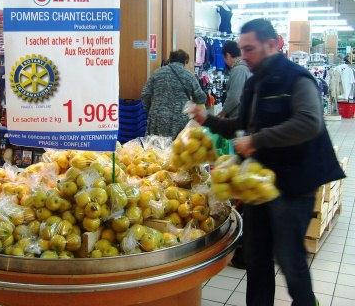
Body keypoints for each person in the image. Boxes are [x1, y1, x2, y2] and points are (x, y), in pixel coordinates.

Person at [189, 19, 345, 306]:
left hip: (293, 184)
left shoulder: (297, 78)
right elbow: (243, 125)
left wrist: (257, 140)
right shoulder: (254, 82)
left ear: (271, 44)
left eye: (249, 49)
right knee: (256, 257)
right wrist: (207, 120)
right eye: (242, 49)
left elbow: (309, 122)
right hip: (259, 185)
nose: (244, 55)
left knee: (289, 259)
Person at [141, 49, 206, 140]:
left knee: (155, 149)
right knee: (176, 150)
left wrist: (151, 109)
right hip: (179, 120)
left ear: (170, 60)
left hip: (157, 118)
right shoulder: (189, 76)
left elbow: (145, 94)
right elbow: (201, 98)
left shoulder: (157, 73)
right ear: (184, 61)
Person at [219, 41, 252, 118]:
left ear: (228, 55)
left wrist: (223, 112)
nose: (225, 62)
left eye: (224, 58)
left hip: (238, 115)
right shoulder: (245, 67)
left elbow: (234, 97)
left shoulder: (238, 70)